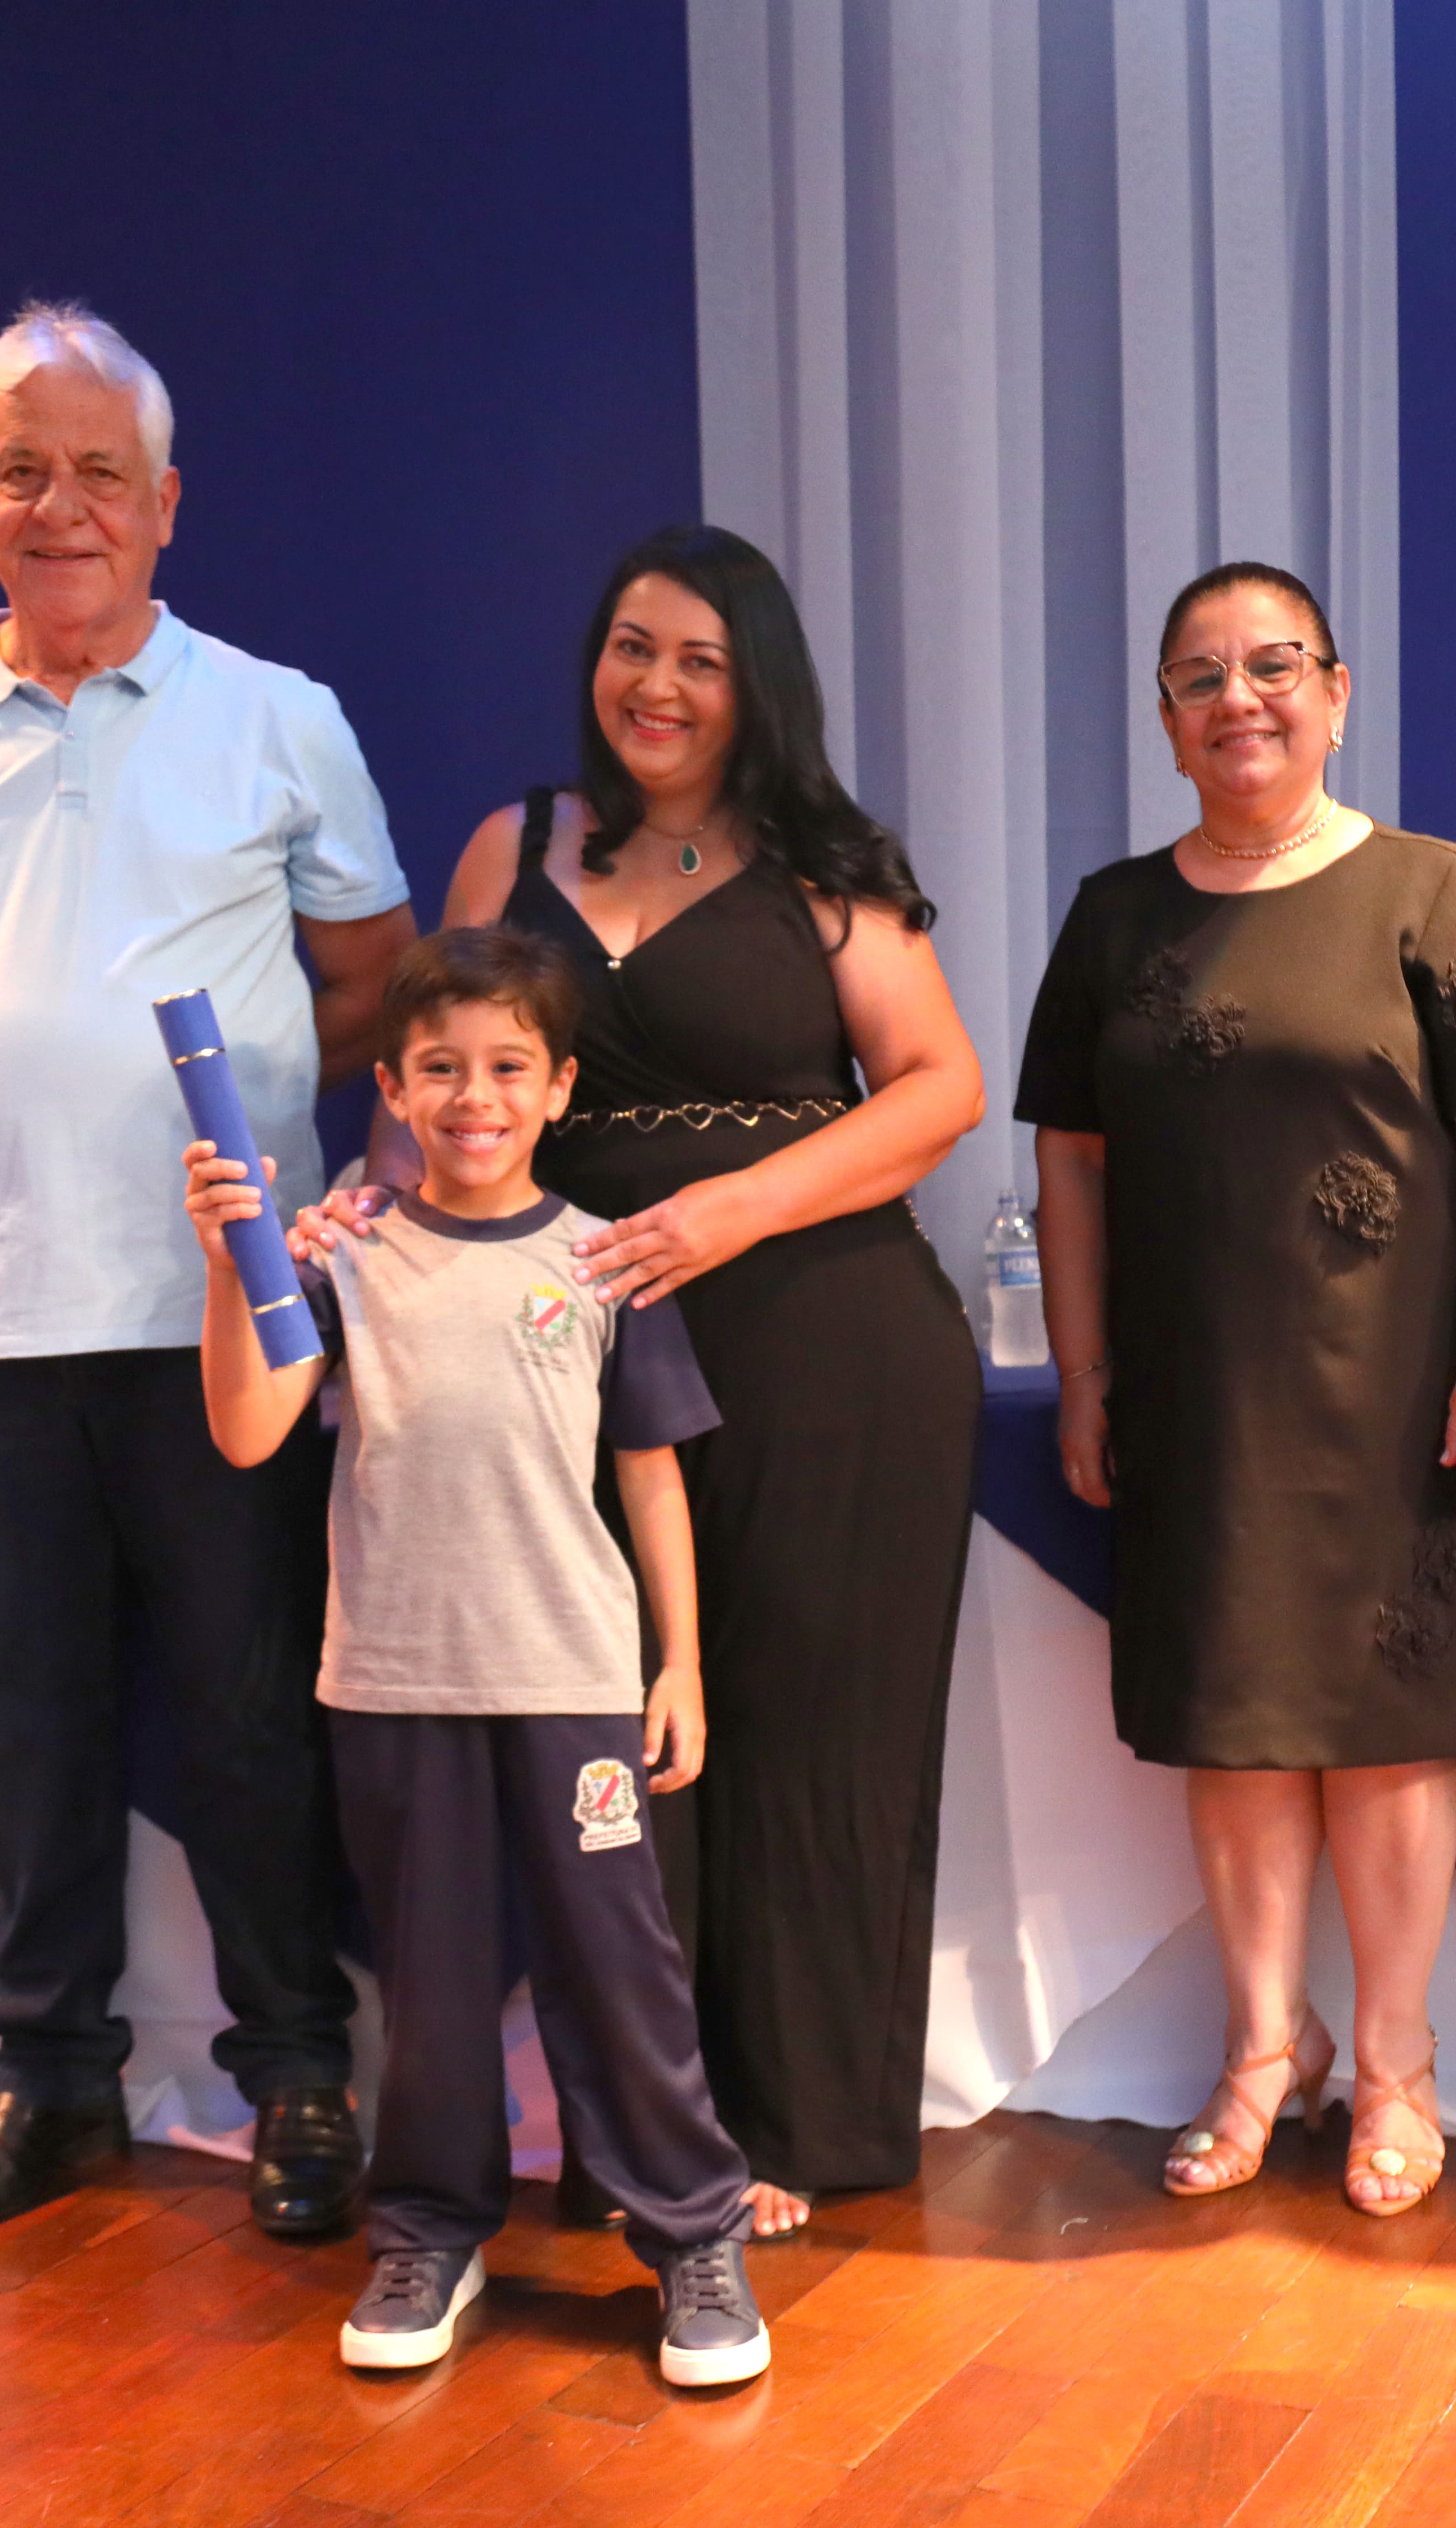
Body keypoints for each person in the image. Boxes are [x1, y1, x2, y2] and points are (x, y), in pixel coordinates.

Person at [0, 302, 414, 2238]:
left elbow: (375, 983)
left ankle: (298, 2074)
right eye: (22, 471)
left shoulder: (280, 716)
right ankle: (50, 2083)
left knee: (249, 1718)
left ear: (165, 502)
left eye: (98, 474)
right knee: (31, 1733)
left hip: (220, 1322)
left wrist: (240, 1131)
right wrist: (19, 1092)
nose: (60, 507)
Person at [430, 525, 985, 2239]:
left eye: (700, 659)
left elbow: (940, 1086)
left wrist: (731, 1210)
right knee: (615, 1740)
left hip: (831, 1348)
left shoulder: (827, 860)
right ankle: (649, 2138)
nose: (656, 685)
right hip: (571, 1363)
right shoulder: (513, 844)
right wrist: (379, 1235)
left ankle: (800, 2124)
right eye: (631, 646)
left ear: (758, 689)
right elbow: (444, 1072)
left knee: (811, 1738)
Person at [1019, 561, 1456, 2219]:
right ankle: (1268, 2045)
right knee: (1239, 1729)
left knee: (1389, 1736)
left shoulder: (1437, 888)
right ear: (1166, 722)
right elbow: (1070, 1164)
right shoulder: (1115, 917)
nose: (1238, 699)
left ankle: (1396, 2063)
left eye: (1274, 666)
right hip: (1195, 1394)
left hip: (1396, 1393)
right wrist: (1084, 1369)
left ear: (1335, 693)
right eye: (1201, 677)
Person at [181, 928, 769, 2386]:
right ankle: (431, 2232)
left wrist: (681, 1664)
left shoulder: (608, 1263)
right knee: (432, 1985)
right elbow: (247, 1431)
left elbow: (650, 1474)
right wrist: (229, 1266)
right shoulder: (346, 1254)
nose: (475, 1096)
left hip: (573, 1681)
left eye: (509, 1066)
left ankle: (693, 2230)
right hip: (395, 1683)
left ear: (559, 1086)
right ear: (391, 1087)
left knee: (620, 1971)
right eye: (440, 1068)